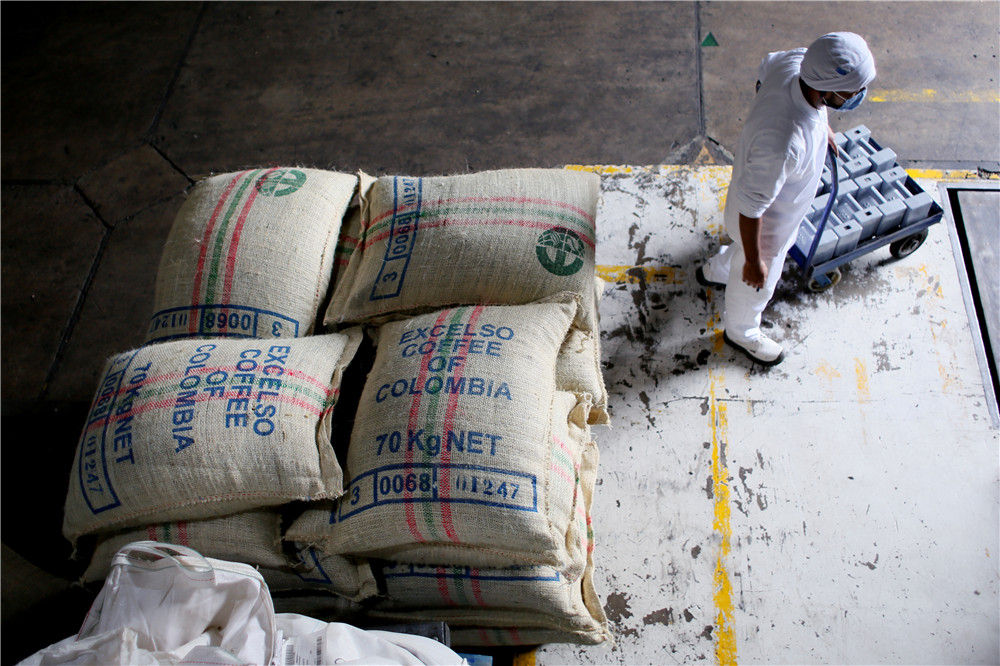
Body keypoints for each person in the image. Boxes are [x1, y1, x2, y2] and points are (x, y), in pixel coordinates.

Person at [696, 32, 876, 366]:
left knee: (737, 249)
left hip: (750, 204)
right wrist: (755, 260)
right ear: (826, 88)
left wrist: (821, 128)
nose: (858, 96)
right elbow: (752, 210)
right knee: (755, 285)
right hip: (765, 229)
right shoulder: (782, 141)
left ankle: (717, 269)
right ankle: (741, 332)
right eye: (852, 92)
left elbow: (766, 74)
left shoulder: (797, 63)